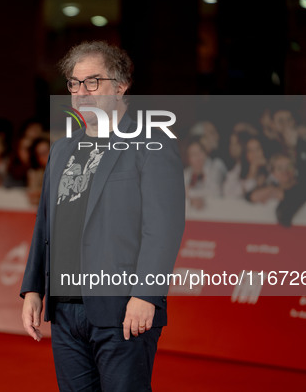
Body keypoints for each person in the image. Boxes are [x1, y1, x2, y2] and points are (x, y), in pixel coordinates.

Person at [20, 41, 185, 391]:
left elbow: (162, 229)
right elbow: (45, 222)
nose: (82, 92)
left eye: (93, 82)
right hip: (65, 310)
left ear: (121, 85)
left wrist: (146, 295)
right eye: (74, 83)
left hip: (122, 307)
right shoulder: (64, 148)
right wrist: (33, 288)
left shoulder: (151, 144)